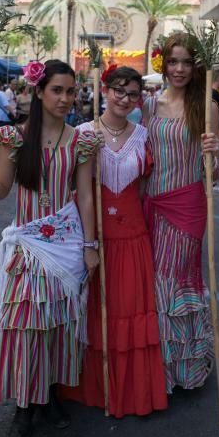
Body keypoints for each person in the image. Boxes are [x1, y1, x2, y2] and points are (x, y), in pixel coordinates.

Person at [0, 59, 99, 437]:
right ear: (39, 92)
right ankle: (25, 405)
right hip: (25, 248)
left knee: (59, 325)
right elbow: (1, 191)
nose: (65, 98)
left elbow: (87, 196)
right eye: (57, 90)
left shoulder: (81, 141)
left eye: (70, 91)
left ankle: (52, 396)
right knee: (25, 325)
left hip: (67, 246)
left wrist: (91, 247)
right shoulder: (13, 137)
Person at [65, 66, 168, 418]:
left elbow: (144, 188)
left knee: (129, 312)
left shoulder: (145, 136)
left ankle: (131, 392)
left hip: (134, 239)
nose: (125, 99)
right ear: (104, 90)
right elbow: (75, 192)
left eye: (133, 94)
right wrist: (88, 244)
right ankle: (97, 387)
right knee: (98, 312)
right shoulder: (82, 133)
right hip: (97, 239)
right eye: (118, 91)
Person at [142, 32, 219, 394]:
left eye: (187, 62)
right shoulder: (148, 105)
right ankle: (157, 367)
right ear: (163, 62)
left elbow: (214, 172)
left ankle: (182, 370)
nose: (179, 69)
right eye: (173, 61)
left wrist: (213, 151)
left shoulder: (206, 106)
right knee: (154, 282)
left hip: (187, 204)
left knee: (174, 282)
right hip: (151, 204)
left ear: (196, 66)